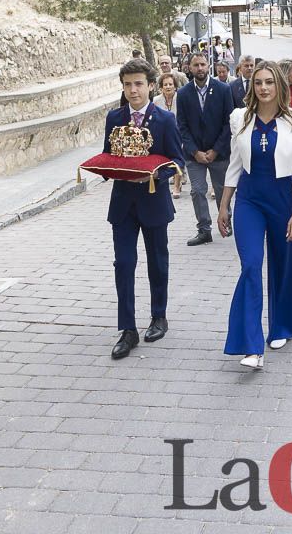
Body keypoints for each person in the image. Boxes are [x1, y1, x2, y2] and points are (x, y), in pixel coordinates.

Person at [217, 62, 292, 369]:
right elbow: (234, 163)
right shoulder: (239, 118)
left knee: (283, 266)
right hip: (249, 201)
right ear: (251, 86)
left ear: (280, 86)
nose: (264, 88)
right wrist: (224, 204)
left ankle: (282, 327)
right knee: (251, 265)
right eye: (258, 82)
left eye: (270, 82)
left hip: (283, 199)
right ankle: (251, 346)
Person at [103, 58, 187, 359]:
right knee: (123, 264)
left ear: (151, 86)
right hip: (123, 204)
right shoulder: (114, 118)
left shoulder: (164, 120)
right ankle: (127, 329)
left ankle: (158, 316)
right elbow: (107, 155)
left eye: (138, 84)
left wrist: (155, 173)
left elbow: (178, 160)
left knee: (157, 262)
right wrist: (104, 168)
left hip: (153, 202)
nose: (133, 90)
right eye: (127, 85)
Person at [177, 52, 235, 246]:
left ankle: (225, 220)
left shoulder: (223, 89)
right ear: (190, 68)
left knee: (221, 190)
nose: (200, 68)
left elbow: (229, 123)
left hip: (219, 153)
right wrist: (195, 152)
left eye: (203, 64)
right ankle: (204, 229)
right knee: (197, 190)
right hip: (194, 155)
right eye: (196, 65)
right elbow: (182, 126)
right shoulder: (183, 93)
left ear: (208, 66)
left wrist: (215, 150)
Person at [152, 72, 184, 198]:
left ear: (175, 86)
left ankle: (177, 185)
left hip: (179, 132)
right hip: (162, 134)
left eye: (170, 84)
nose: (168, 87)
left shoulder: (180, 98)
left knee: (176, 158)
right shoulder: (156, 100)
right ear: (161, 87)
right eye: (165, 84)